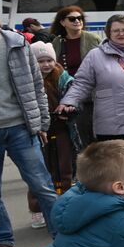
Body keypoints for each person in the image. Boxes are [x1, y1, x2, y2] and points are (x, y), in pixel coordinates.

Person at [0, 0, 59, 247]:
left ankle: (62, 239)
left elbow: (37, 86)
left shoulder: (16, 43)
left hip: (20, 127)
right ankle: (3, 242)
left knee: (43, 186)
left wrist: (40, 123)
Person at [57, 14, 124, 143]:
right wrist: (69, 101)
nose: (121, 33)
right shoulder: (95, 55)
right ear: (108, 33)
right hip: (109, 126)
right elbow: (82, 83)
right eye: (115, 30)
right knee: (111, 162)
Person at [28, 43, 75, 229]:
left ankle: (65, 205)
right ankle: (37, 209)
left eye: (49, 60)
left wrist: (70, 108)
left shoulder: (63, 77)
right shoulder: (29, 78)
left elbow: (73, 95)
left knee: (65, 168)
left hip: (61, 127)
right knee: (40, 171)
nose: (46, 65)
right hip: (38, 130)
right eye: (41, 61)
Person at [50, 5, 99, 78]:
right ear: (62, 22)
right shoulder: (57, 41)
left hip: (90, 83)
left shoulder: (93, 38)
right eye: (72, 19)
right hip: (66, 85)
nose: (77, 21)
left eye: (80, 18)